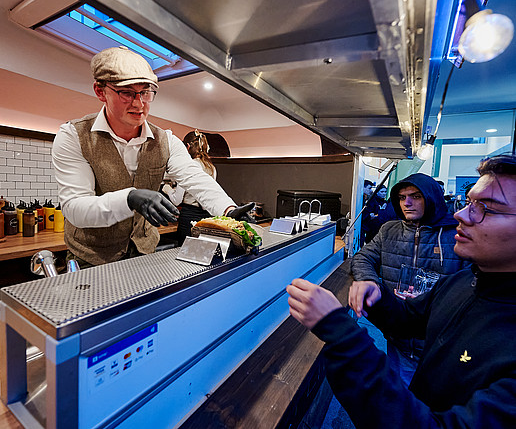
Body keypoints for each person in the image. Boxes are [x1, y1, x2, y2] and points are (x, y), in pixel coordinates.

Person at [286, 154, 516, 428]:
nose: (461, 215)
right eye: (470, 203)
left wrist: (339, 332)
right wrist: (376, 293)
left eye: (486, 208)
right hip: (406, 356)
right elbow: (406, 320)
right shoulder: (463, 283)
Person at [52, 46, 252, 267]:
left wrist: (229, 210)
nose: (138, 104)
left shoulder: (165, 140)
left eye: (146, 92)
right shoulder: (73, 136)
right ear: (100, 92)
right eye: (126, 92)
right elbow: (75, 209)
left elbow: (196, 178)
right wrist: (130, 198)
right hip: (90, 259)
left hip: (143, 254)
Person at [352, 173, 468, 385]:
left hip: (440, 343)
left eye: (415, 196)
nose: (407, 203)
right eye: (402, 197)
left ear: (431, 197)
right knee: (400, 401)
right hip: (399, 336)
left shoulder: (456, 235)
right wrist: (368, 280)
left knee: (435, 406)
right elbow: (362, 257)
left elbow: (472, 283)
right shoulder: (389, 230)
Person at [176, 130, 218, 245]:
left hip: (189, 216)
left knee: (184, 253)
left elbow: (176, 200)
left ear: (187, 147)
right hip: (206, 217)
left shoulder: (188, 166)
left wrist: (167, 189)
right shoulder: (211, 167)